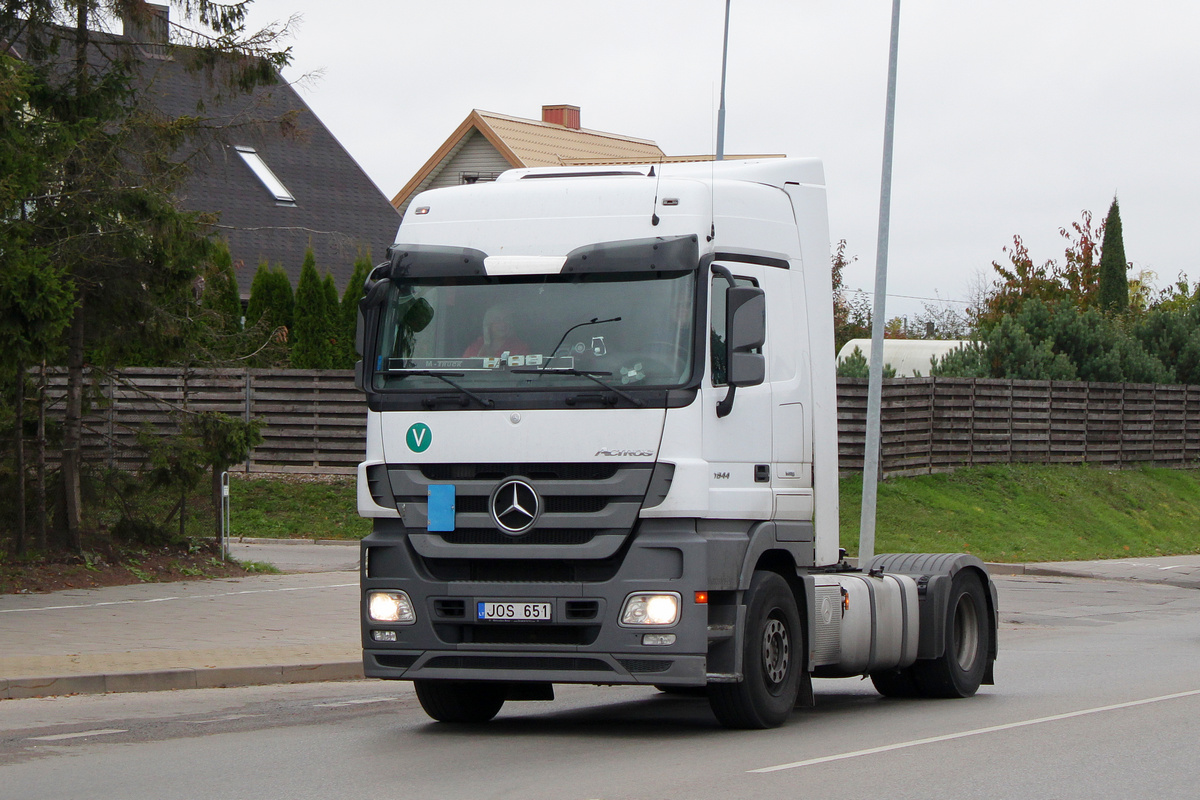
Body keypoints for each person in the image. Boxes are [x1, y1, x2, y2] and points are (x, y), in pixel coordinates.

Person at [462, 306, 530, 357]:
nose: (503, 324)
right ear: (488, 324)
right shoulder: (476, 346)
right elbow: (465, 367)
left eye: (506, 320)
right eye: (497, 320)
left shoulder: (519, 347)